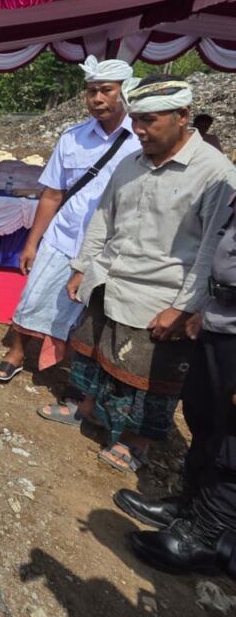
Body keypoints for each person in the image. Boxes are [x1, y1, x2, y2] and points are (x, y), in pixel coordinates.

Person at [45, 75, 236, 473]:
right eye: (136, 120)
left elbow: (210, 252)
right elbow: (102, 217)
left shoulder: (215, 174)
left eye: (150, 120)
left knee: (148, 378)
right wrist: (84, 266)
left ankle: (138, 442)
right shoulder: (130, 164)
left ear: (183, 116)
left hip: (160, 292)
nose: (139, 130)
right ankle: (89, 409)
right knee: (95, 356)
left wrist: (184, 307)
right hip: (110, 279)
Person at [0, 57, 140, 383]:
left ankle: (75, 371)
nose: (97, 99)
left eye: (106, 90)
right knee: (34, 294)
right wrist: (32, 242)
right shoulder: (72, 138)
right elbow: (52, 195)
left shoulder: (141, 141)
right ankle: (16, 353)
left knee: (88, 311)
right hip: (64, 235)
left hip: (110, 245)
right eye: (91, 91)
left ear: (124, 92)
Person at [115, 193, 236, 574]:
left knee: (233, 443)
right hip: (222, 320)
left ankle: (206, 537)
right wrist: (205, 307)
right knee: (205, 420)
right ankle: (190, 505)